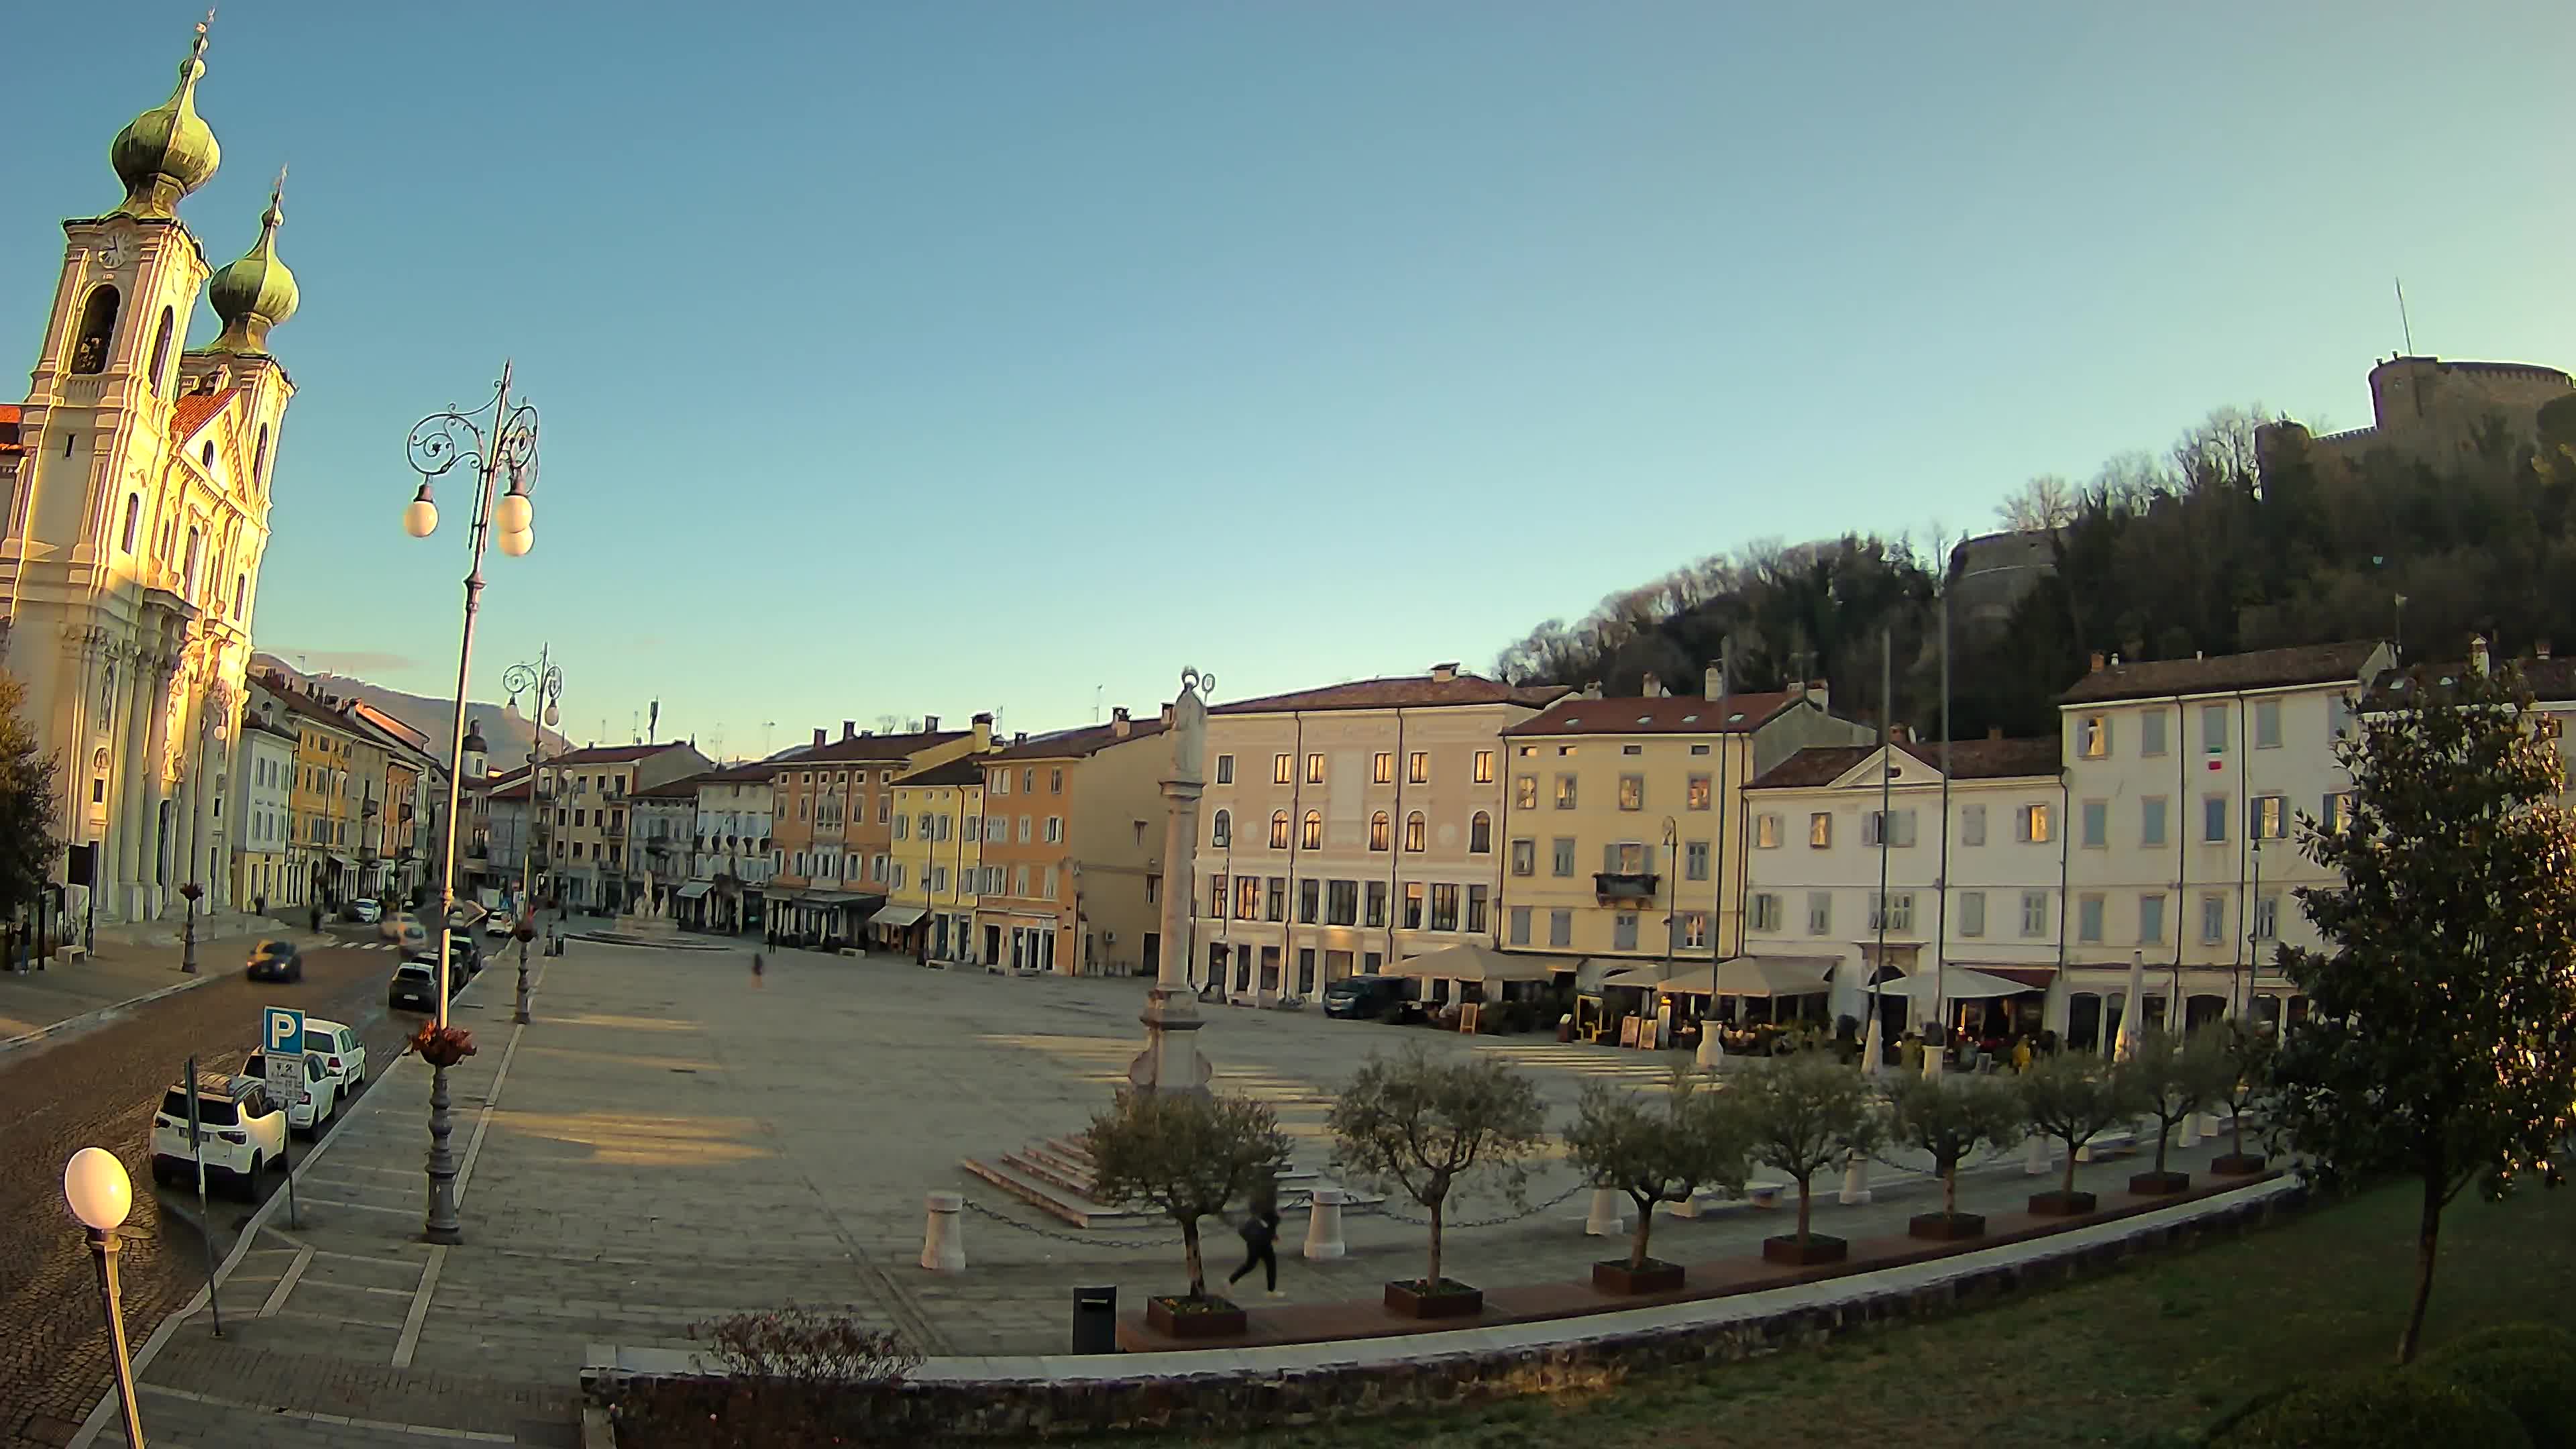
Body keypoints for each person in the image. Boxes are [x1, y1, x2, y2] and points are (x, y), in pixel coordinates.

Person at [1226, 1192, 1283, 1298]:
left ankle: (1231, 1281)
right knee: (1258, 1265)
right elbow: (1272, 1222)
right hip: (1261, 1244)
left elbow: (1267, 1226)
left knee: (1256, 1265)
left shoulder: (1260, 1210)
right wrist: (1278, 1217)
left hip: (1257, 1242)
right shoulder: (1269, 1210)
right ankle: (1231, 1281)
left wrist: (1273, 1235)